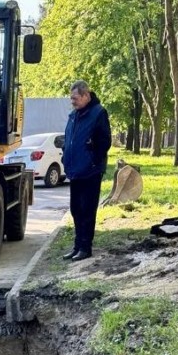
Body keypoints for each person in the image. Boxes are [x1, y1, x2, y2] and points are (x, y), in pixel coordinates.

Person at [61, 80, 112, 262]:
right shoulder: (73, 115)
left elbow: (105, 141)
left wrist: (93, 161)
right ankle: (77, 246)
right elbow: (69, 140)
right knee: (76, 210)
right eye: (71, 98)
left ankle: (85, 247)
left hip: (90, 171)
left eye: (75, 98)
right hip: (75, 171)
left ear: (85, 96)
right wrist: (64, 157)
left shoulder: (98, 113)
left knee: (87, 210)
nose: (72, 102)